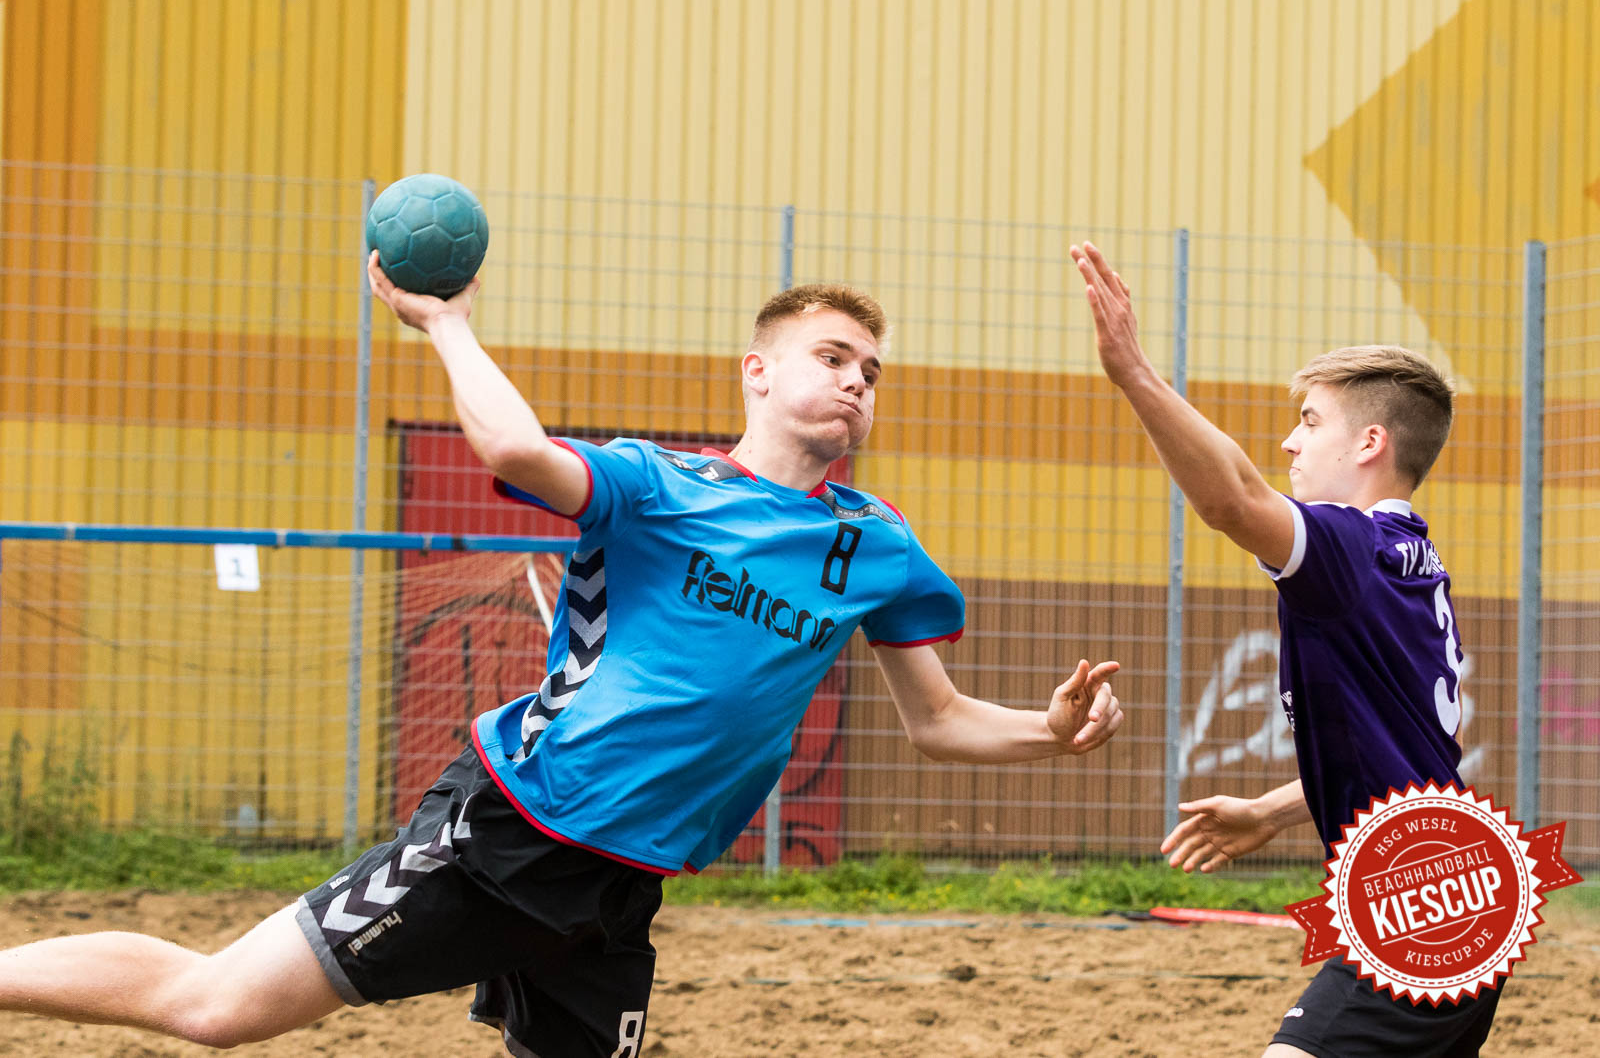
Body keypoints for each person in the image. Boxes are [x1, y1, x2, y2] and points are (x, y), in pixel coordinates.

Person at [0, 255, 1124, 1057]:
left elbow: (936, 718)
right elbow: (511, 446)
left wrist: (1048, 730)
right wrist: (444, 322)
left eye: (871, 370)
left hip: (624, 880)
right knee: (217, 1004)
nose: (856, 382)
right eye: (832, 356)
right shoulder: (655, 484)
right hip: (515, 827)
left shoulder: (876, 545)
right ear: (758, 371)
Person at [1070, 242, 1497, 1057]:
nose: (1289, 443)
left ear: (1371, 442)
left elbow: (1230, 498)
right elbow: (1424, 747)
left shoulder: (1349, 550)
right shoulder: (1411, 556)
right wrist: (1270, 809)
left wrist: (1133, 372)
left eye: (1308, 421)